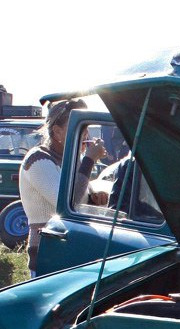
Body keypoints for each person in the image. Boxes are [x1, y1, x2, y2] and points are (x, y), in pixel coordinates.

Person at [18, 99, 108, 275]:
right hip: (49, 252)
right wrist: (89, 160)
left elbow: (80, 198)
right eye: (78, 127)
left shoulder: (72, 159)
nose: (86, 134)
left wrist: (95, 198)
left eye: (85, 127)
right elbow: (67, 202)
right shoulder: (38, 159)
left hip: (70, 247)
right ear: (57, 132)